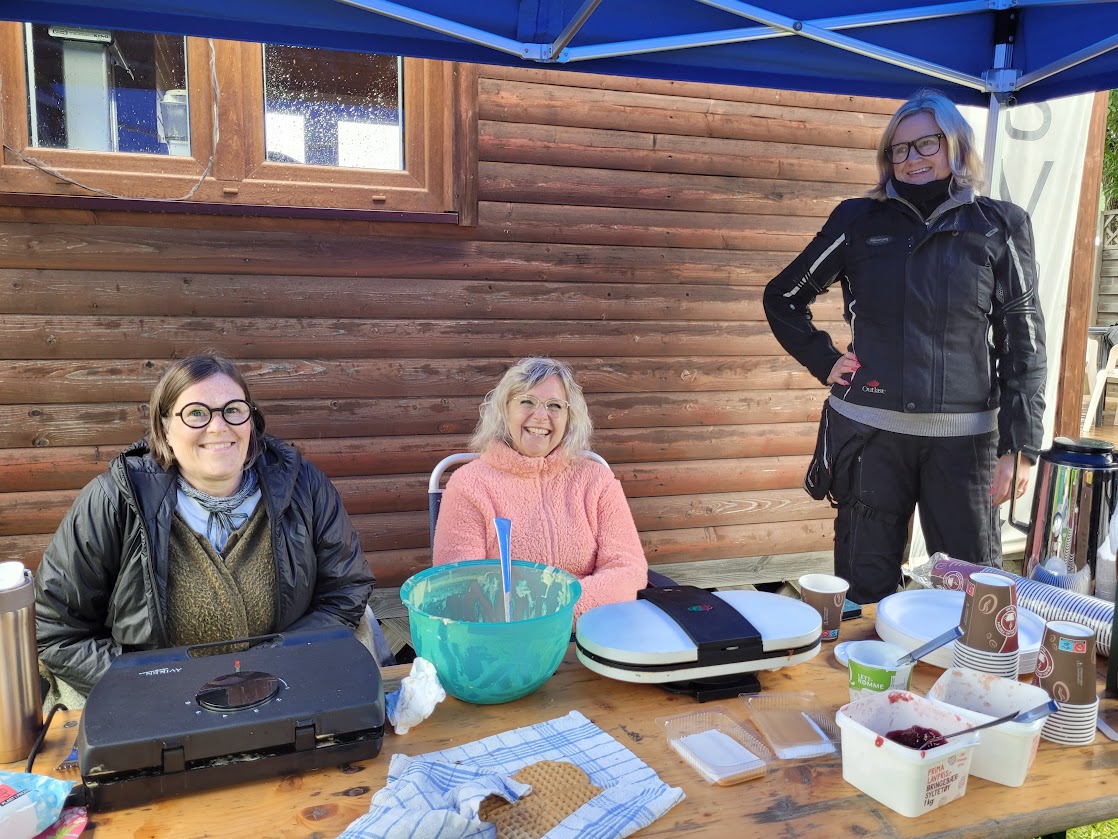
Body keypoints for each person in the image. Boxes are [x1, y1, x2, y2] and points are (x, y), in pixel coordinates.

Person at [763, 89, 1046, 605]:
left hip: (964, 447)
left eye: (926, 144)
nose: (912, 158)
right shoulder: (856, 221)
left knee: (972, 600)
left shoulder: (999, 225)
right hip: (870, 439)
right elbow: (783, 297)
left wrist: (1019, 448)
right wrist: (825, 360)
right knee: (864, 594)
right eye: (899, 149)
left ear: (955, 144)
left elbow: (1022, 341)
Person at [35, 352, 383, 700]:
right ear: (165, 428)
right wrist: (151, 686)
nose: (218, 427)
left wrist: (277, 663)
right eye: (196, 413)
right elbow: (58, 630)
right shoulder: (116, 500)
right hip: (156, 702)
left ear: (251, 421)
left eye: (233, 409)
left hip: (286, 686)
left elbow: (345, 590)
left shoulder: (304, 487)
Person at [432, 357, 648, 617]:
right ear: (504, 410)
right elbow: (460, 588)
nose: (541, 416)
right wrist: (547, 617)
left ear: (569, 417)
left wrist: (560, 610)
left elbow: (628, 569)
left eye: (555, 405)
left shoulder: (596, 480)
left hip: (594, 627)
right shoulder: (469, 485)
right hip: (507, 633)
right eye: (527, 401)